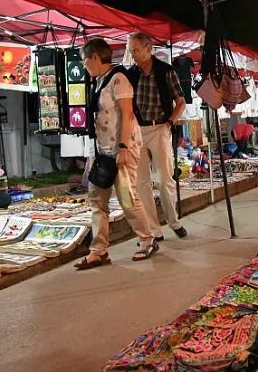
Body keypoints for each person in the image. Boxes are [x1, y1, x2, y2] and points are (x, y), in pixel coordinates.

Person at [75, 38, 156, 270]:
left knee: (127, 198)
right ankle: (98, 251)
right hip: (103, 151)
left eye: (84, 61)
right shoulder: (100, 81)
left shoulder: (118, 79)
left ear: (95, 58)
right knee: (97, 199)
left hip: (122, 148)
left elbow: (128, 114)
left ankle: (147, 240)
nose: (83, 66)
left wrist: (122, 148)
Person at [127, 33, 188, 241]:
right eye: (130, 50)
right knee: (141, 182)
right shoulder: (130, 74)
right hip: (138, 131)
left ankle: (173, 221)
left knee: (164, 179)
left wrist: (170, 123)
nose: (132, 54)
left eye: (135, 50)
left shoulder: (165, 71)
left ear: (148, 49)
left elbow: (181, 101)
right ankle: (154, 229)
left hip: (160, 127)